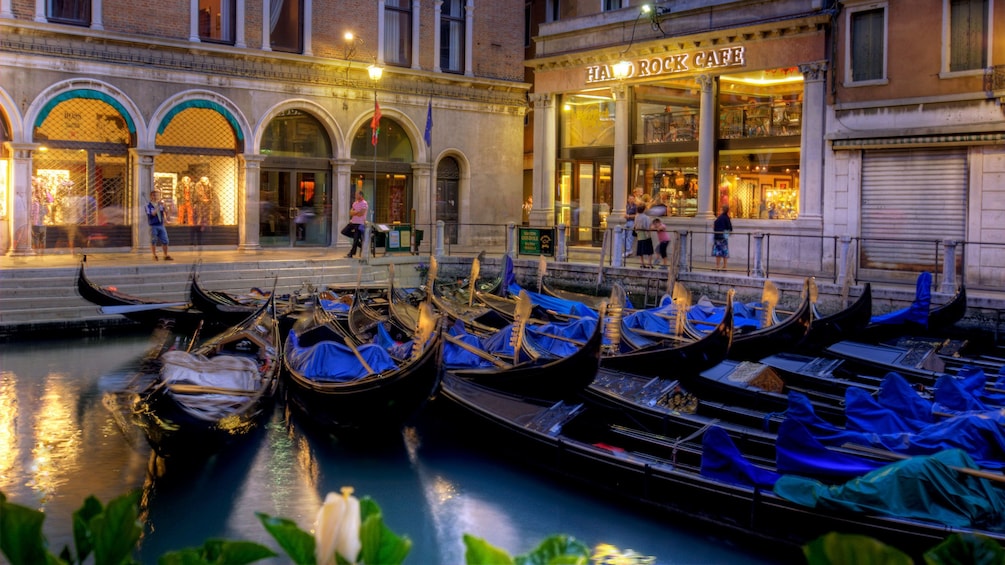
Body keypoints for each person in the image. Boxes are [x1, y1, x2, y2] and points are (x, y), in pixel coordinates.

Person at [146, 189, 173, 261]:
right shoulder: (148, 205)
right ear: (151, 196)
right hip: (153, 225)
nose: (156, 197)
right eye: (154, 195)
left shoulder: (160, 205)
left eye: (157, 195)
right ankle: (154, 255)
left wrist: (167, 208)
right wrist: (159, 206)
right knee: (153, 240)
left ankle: (165, 255)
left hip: (161, 225)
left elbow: (167, 214)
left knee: (165, 240)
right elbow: (152, 214)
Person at [30, 176, 52, 253]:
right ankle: (41, 254)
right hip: (42, 223)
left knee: (35, 238)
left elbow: (31, 213)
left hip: (36, 223)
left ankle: (36, 253)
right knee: (42, 239)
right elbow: (50, 200)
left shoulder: (34, 202)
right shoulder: (43, 202)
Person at [345, 190, 368, 258]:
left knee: (355, 239)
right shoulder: (355, 203)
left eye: (357, 194)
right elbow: (350, 212)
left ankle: (351, 253)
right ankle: (360, 244)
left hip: (359, 223)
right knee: (344, 231)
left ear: (361, 195)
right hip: (353, 222)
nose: (355, 196)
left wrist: (355, 212)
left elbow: (361, 213)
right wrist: (356, 212)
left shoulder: (364, 203)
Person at [712, 204, 732, 271]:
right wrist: (727, 234)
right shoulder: (727, 218)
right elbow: (730, 228)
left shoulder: (719, 218)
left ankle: (717, 266)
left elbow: (714, 226)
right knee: (724, 251)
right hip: (724, 236)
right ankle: (725, 265)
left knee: (718, 251)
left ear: (722, 210)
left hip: (718, 236)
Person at [634, 203, 654, 268]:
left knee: (640, 250)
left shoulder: (636, 217)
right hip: (646, 234)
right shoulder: (646, 217)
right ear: (644, 209)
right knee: (649, 250)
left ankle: (642, 263)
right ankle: (649, 264)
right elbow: (648, 226)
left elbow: (635, 226)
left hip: (639, 234)